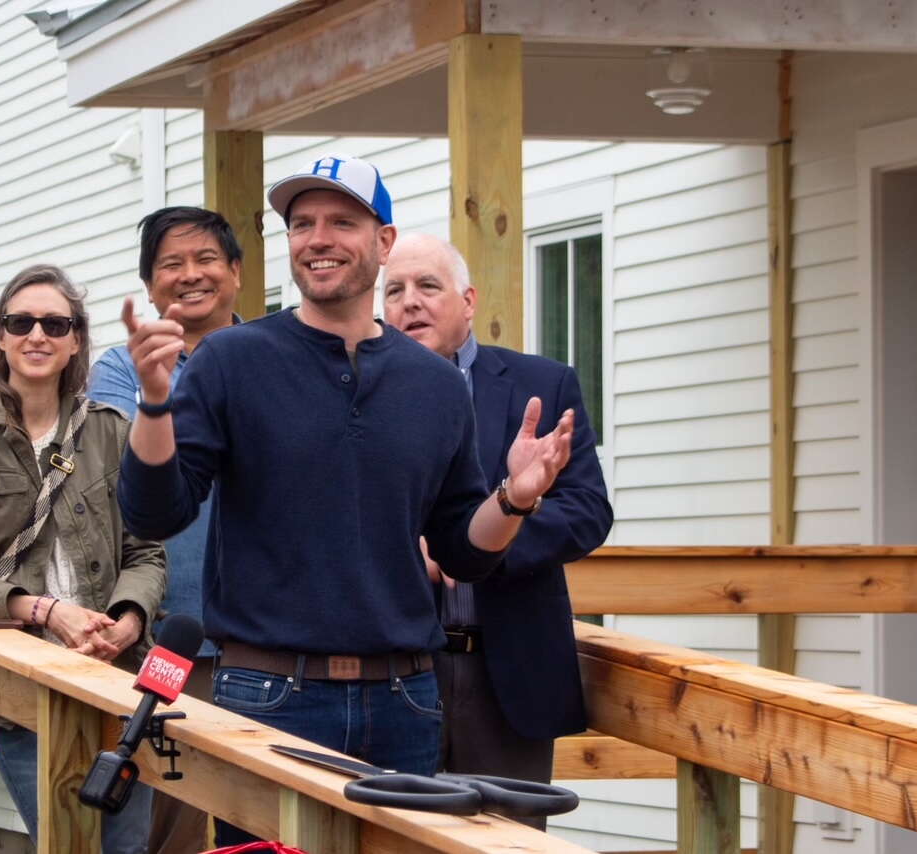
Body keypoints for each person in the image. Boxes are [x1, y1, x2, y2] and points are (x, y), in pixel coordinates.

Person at [116, 153, 575, 842]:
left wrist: (514, 497)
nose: (318, 238)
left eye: (341, 221)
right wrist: (156, 407)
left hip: (406, 700)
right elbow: (158, 511)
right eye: (302, 223)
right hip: (269, 696)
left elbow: (462, 550)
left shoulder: (437, 386)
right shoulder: (232, 360)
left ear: (383, 243)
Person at [0, 263, 167, 853]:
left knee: (126, 849)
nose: (38, 334)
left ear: (76, 339)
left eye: (55, 323)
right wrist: (47, 611)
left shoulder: (112, 431)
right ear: (0, 336)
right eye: (21, 321)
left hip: (118, 678)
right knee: (62, 844)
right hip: (20, 689)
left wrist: (129, 620)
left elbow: (147, 553)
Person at [382, 233, 613, 829]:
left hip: (509, 669)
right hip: (396, 672)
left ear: (468, 300)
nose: (411, 303)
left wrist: (482, 548)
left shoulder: (542, 384)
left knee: (509, 842)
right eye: (395, 290)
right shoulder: (361, 391)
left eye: (428, 286)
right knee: (394, 839)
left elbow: (588, 509)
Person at [88, 207, 242, 854]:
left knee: (241, 813)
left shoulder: (269, 356)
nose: (190, 276)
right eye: (170, 265)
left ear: (236, 272)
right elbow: (143, 462)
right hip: (160, 628)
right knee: (149, 811)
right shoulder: (124, 369)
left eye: (206, 259)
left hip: (250, 638)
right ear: (150, 287)